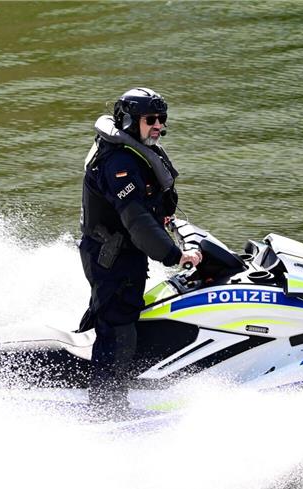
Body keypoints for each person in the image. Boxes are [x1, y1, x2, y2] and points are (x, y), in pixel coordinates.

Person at [78, 87, 202, 413]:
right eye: (151, 119)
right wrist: (176, 255)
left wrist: (172, 223)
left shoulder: (136, 151)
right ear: (131, 120)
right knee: (118, 331)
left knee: (125, 320)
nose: (158, 125)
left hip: (124, 255)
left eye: (162, 119)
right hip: (112, 258)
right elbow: (136, 220)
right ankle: (106, 410)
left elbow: (152, 208)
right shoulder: (118, 162)